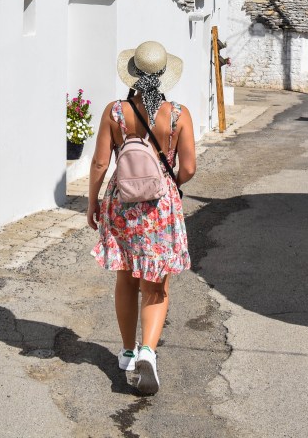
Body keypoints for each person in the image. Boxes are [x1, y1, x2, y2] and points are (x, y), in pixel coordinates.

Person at [88, 40, 196, 395]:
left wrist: (93, 202)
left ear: (132, 74)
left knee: (126, 277)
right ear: (165, 76)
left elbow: (101, 163)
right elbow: (190, 168)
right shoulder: (179, 115)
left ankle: (127, 351)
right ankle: (148, 351)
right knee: (156, 282)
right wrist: (168, 184)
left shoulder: (116, 112)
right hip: (160, 208)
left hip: (122, 204)